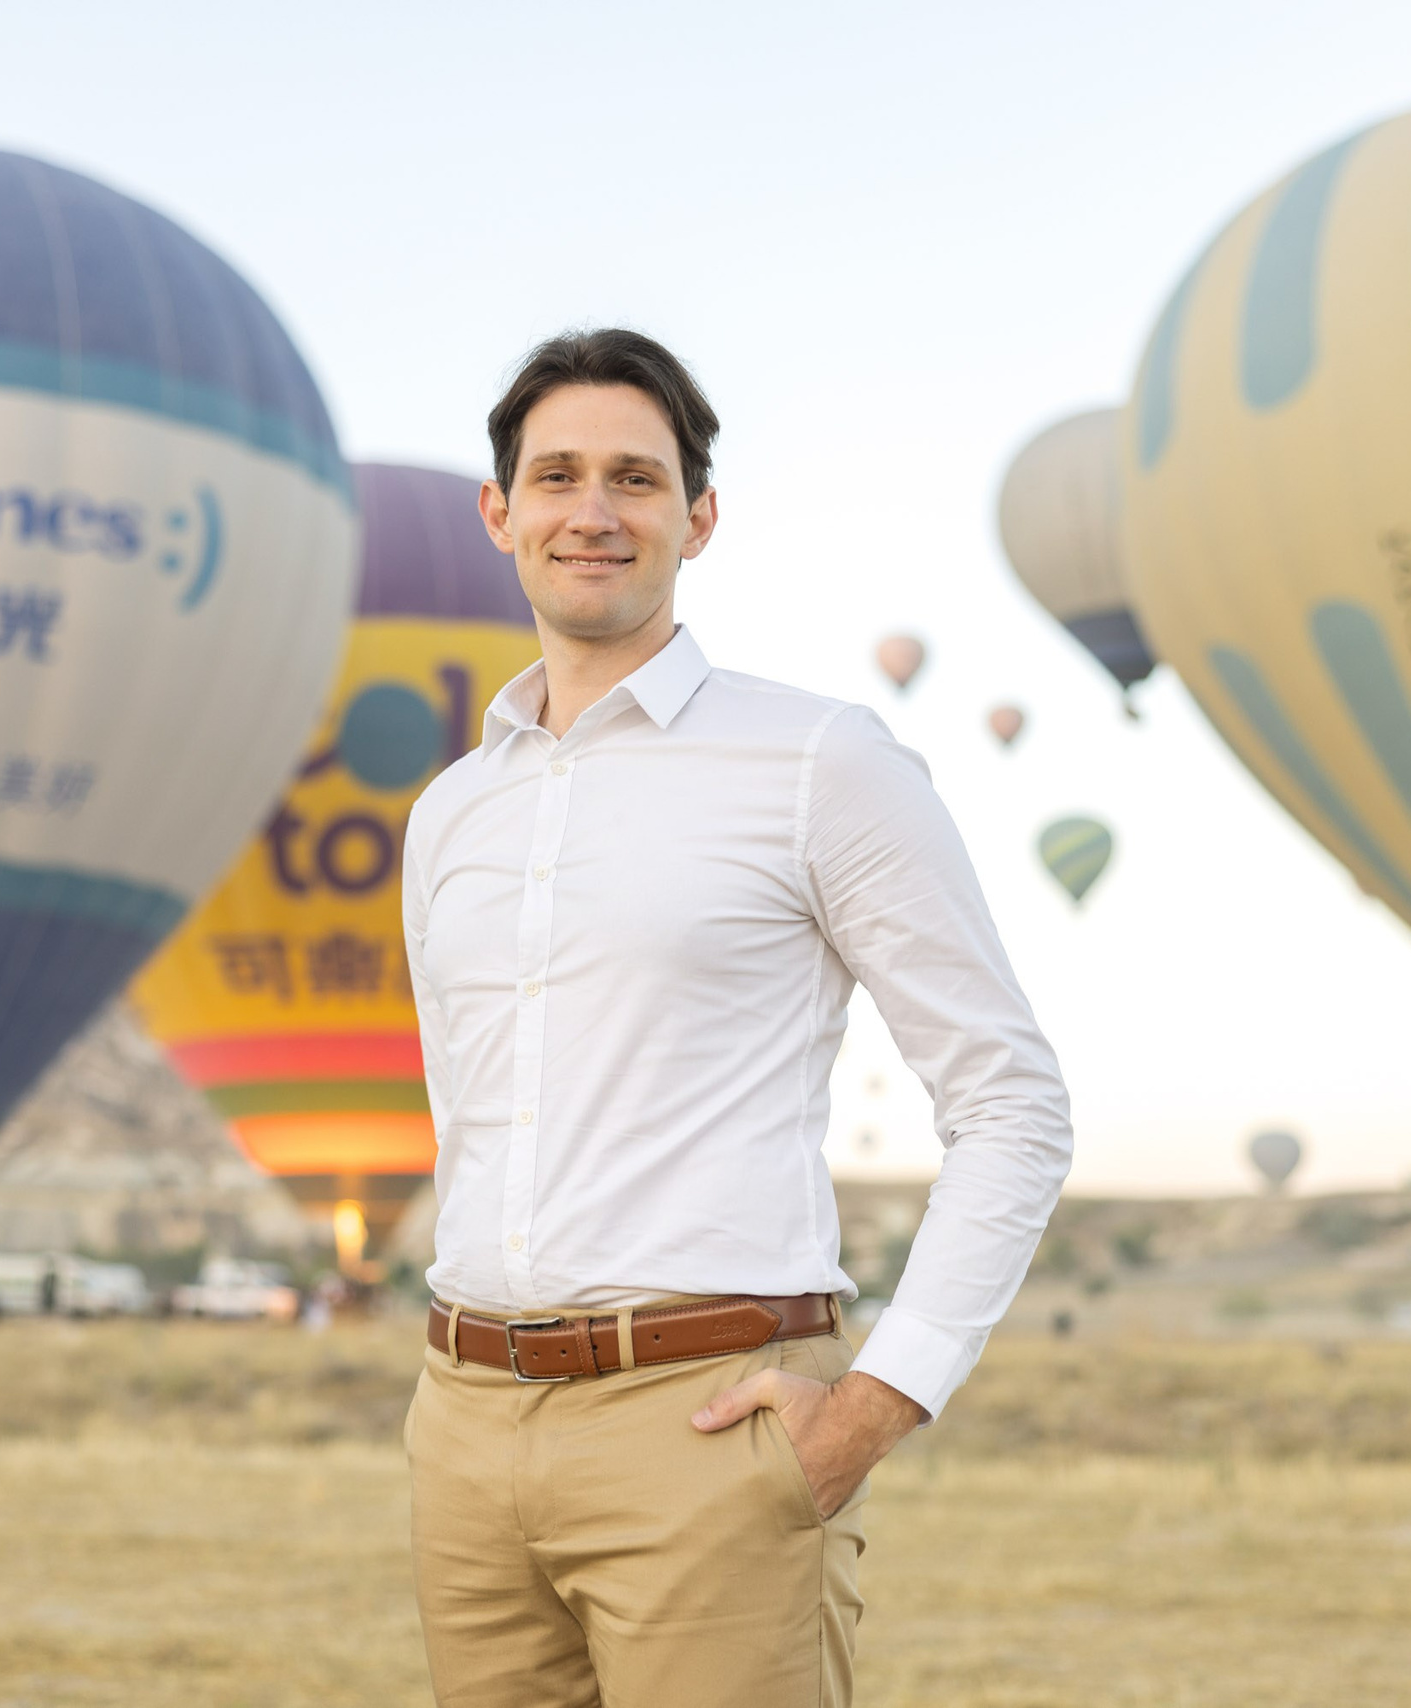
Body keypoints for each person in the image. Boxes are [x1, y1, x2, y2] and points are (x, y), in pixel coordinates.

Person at [399, 328, 1073, 1707]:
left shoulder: (819, 761)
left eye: (637, 481)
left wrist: (875, 1406)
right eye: (558, 477)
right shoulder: (451, 813)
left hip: (705, 1416)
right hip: (461, 1423)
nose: (593, 513)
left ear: (699, 519)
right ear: (500, 512)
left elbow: (1012, 1104)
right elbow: (468, 1119)